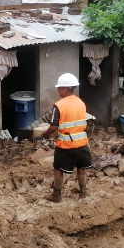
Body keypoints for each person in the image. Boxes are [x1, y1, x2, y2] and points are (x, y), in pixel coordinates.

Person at [41, 73, 93, 202]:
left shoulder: (59, 105)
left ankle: (56, 195)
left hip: (66, 144)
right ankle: (83, 192)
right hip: (82, 143)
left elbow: (54, 126)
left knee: (58, 168)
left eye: (59, 88)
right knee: (81, 167)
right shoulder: (81, 103)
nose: (58, 90)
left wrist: (45, 134)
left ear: (64, 89)